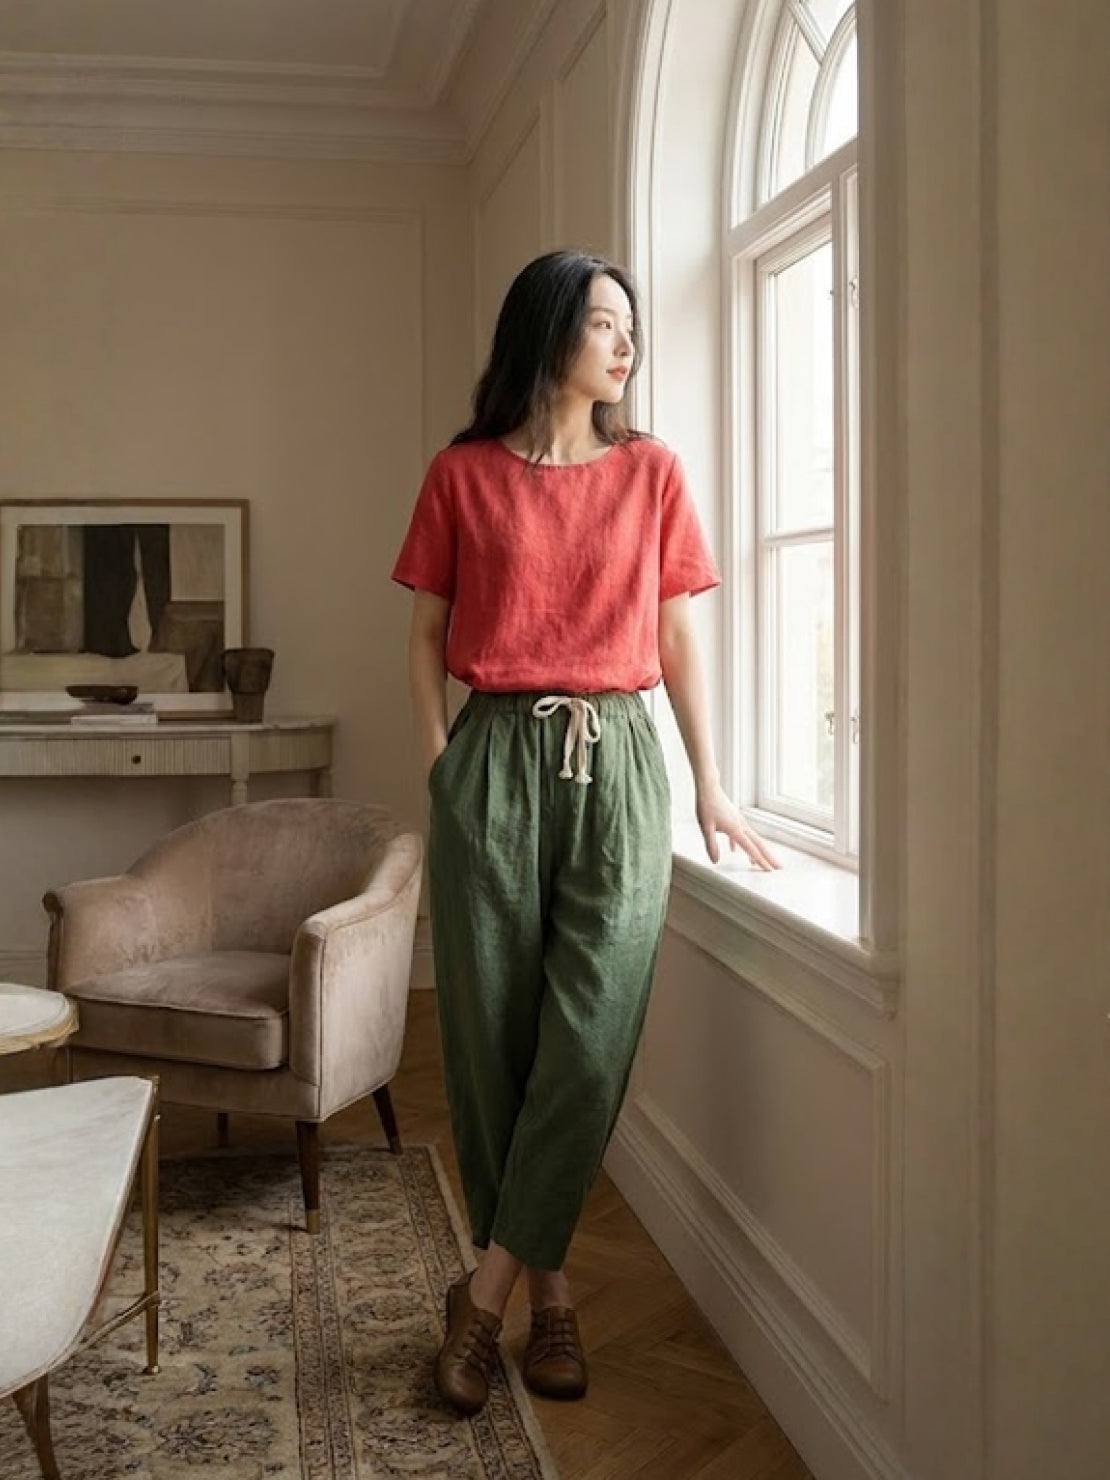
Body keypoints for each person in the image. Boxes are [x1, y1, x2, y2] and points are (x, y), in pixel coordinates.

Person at [390, 249, 781, 1415]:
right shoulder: (462, 474)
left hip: (617, 762)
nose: (625, 343)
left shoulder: (652, 472)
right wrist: (444, 765)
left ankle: (486, 1292)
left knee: (589, 1035)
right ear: (548, 331)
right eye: (603, 322)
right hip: (495, 758)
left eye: (631, 326)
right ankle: (555, 1297)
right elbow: (424, 635)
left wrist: (710, 780)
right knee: (489, 1037)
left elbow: (675, 642)